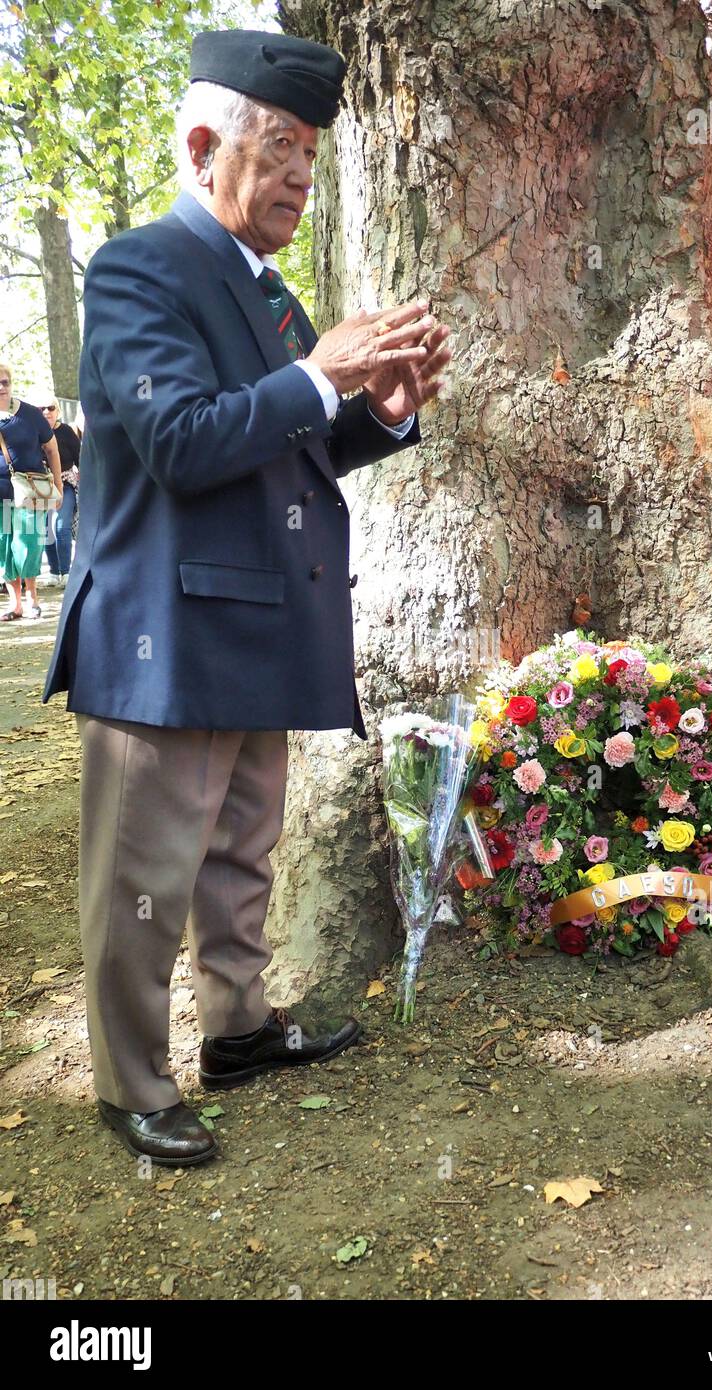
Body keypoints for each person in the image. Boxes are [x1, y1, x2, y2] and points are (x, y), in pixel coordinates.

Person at [42, 29, 452, 1166]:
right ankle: (132, 1081)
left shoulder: (269, 296)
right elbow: (178, 440)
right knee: (143, 881)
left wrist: (383, 408)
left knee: (239, 855)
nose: (300, 179)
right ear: (200, 144)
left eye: (310, 158)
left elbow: (290, 448)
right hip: (160, 633)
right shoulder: (138, 269)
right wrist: (322, 376)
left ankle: (237, 1029)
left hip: (255, 617)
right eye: (280, 151)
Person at [0, 363, 62, 621]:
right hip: (1, 496)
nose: (1, 387)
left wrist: (58, 485)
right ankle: (15, 604)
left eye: (4, 382)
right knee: (5, 546)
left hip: (30, 492)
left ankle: (32, 598)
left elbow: (52, 450)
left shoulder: (29, 414)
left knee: (28, 543)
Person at [41, 394, 80, 582]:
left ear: (57, 410)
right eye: (41, 409)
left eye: (50, 408)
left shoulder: (66, 432)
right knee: (46, 530)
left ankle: (66, 572)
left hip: (65, 485)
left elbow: (81, 459)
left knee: (61, 526)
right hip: (42, 487)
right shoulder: (34, 432)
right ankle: (54, 572)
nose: (46, 412)